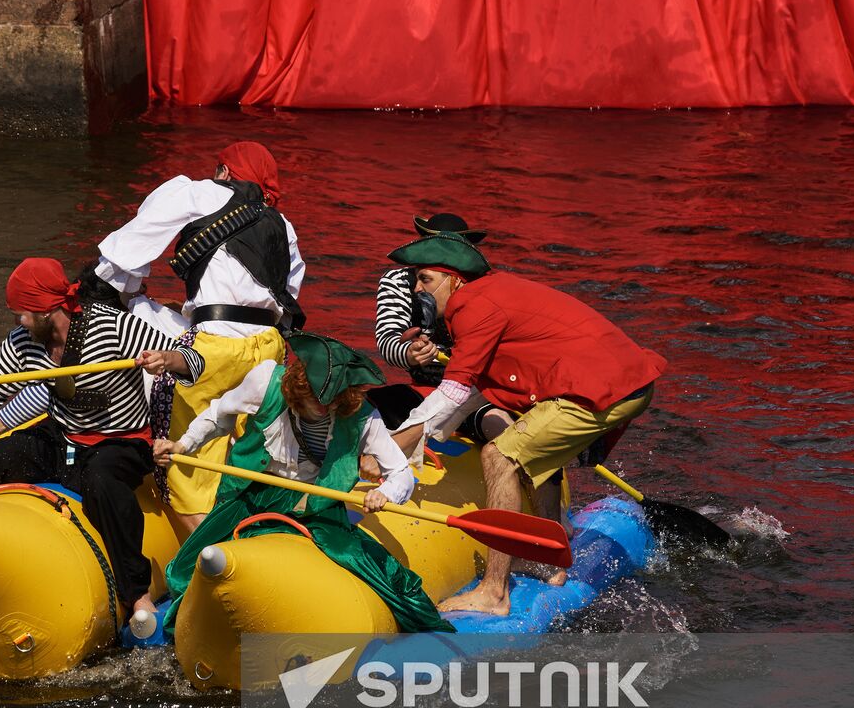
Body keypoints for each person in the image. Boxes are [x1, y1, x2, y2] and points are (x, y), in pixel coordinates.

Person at [0, 257, 205, 619]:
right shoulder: (23, 342)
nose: (16, 322)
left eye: (21, 313)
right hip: (62, 438)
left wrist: (168, 360)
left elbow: (194, 361)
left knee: (103, 481)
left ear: (47, 310)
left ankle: (136, 594)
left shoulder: (113, 325)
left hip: (122, 441)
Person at [387, 232, 666, 616]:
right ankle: (549, 561)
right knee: (528, 437)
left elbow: (454, 390)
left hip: (604, 388)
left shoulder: (473, 306)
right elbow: (473, 391)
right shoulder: (490, 293)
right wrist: (402, 445)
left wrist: (392, 446)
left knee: (500, 456)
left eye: (425, 279)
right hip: (620, 383)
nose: (416, 288)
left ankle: (494, 592)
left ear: (455, 279)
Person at [153, 332, 454, 633]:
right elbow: (220, 415)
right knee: (184, 568)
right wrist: (183, 445)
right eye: (316, 400)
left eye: (332, 400)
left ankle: (418, 621)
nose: (324, 408)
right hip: (251, 491)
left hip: (315, 504)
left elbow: (401, 472)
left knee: (355, 559)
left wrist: (384, 492)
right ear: (298, 386)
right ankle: (193, 629)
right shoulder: (266, 382)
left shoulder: (364, 416)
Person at [96, 141, 306, 537]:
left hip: (213, 348)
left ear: (226, 171)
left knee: (179, 461)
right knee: (248, 448)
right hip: (269, 350)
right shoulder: (283, 225)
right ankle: (264, 529)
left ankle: (214, 554)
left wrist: (120, 290)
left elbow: (131, 247)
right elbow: (287, 292)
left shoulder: (199, 191)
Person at [369, 212, 512, 449]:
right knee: (362, 408)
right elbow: (387, 339)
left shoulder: (483, 288)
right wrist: (409, 353)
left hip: (479, 393)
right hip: (425, 390)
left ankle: (522, 463)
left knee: (494, 420)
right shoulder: (398, 281)